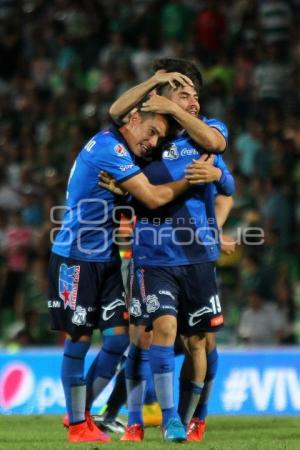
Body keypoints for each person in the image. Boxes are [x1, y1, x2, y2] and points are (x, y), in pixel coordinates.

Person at [48, 80, 199, 444]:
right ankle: (77, 423)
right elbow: (151, 196)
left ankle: (82, 416)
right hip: (75, 258)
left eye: (157, 140)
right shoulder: (109, 148)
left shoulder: (127, 150)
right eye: (150, 133)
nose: (151, 143)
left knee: (117, 341)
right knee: (80, 338)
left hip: (107, 259)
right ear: (133, 118)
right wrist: (191, 180)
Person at [107, 58, 234, 442]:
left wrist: (216, 225)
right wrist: (154, 87)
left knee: (201, 341)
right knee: (149, 333)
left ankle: (195, 416)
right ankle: (153, 419)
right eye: (182, 93)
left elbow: (226, 183)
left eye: (195, 94)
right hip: (151, 255)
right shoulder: (147, 137)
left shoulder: (205, 134)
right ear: (160, 97)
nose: (193, 100)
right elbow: (115, 114)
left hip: (196, 254)